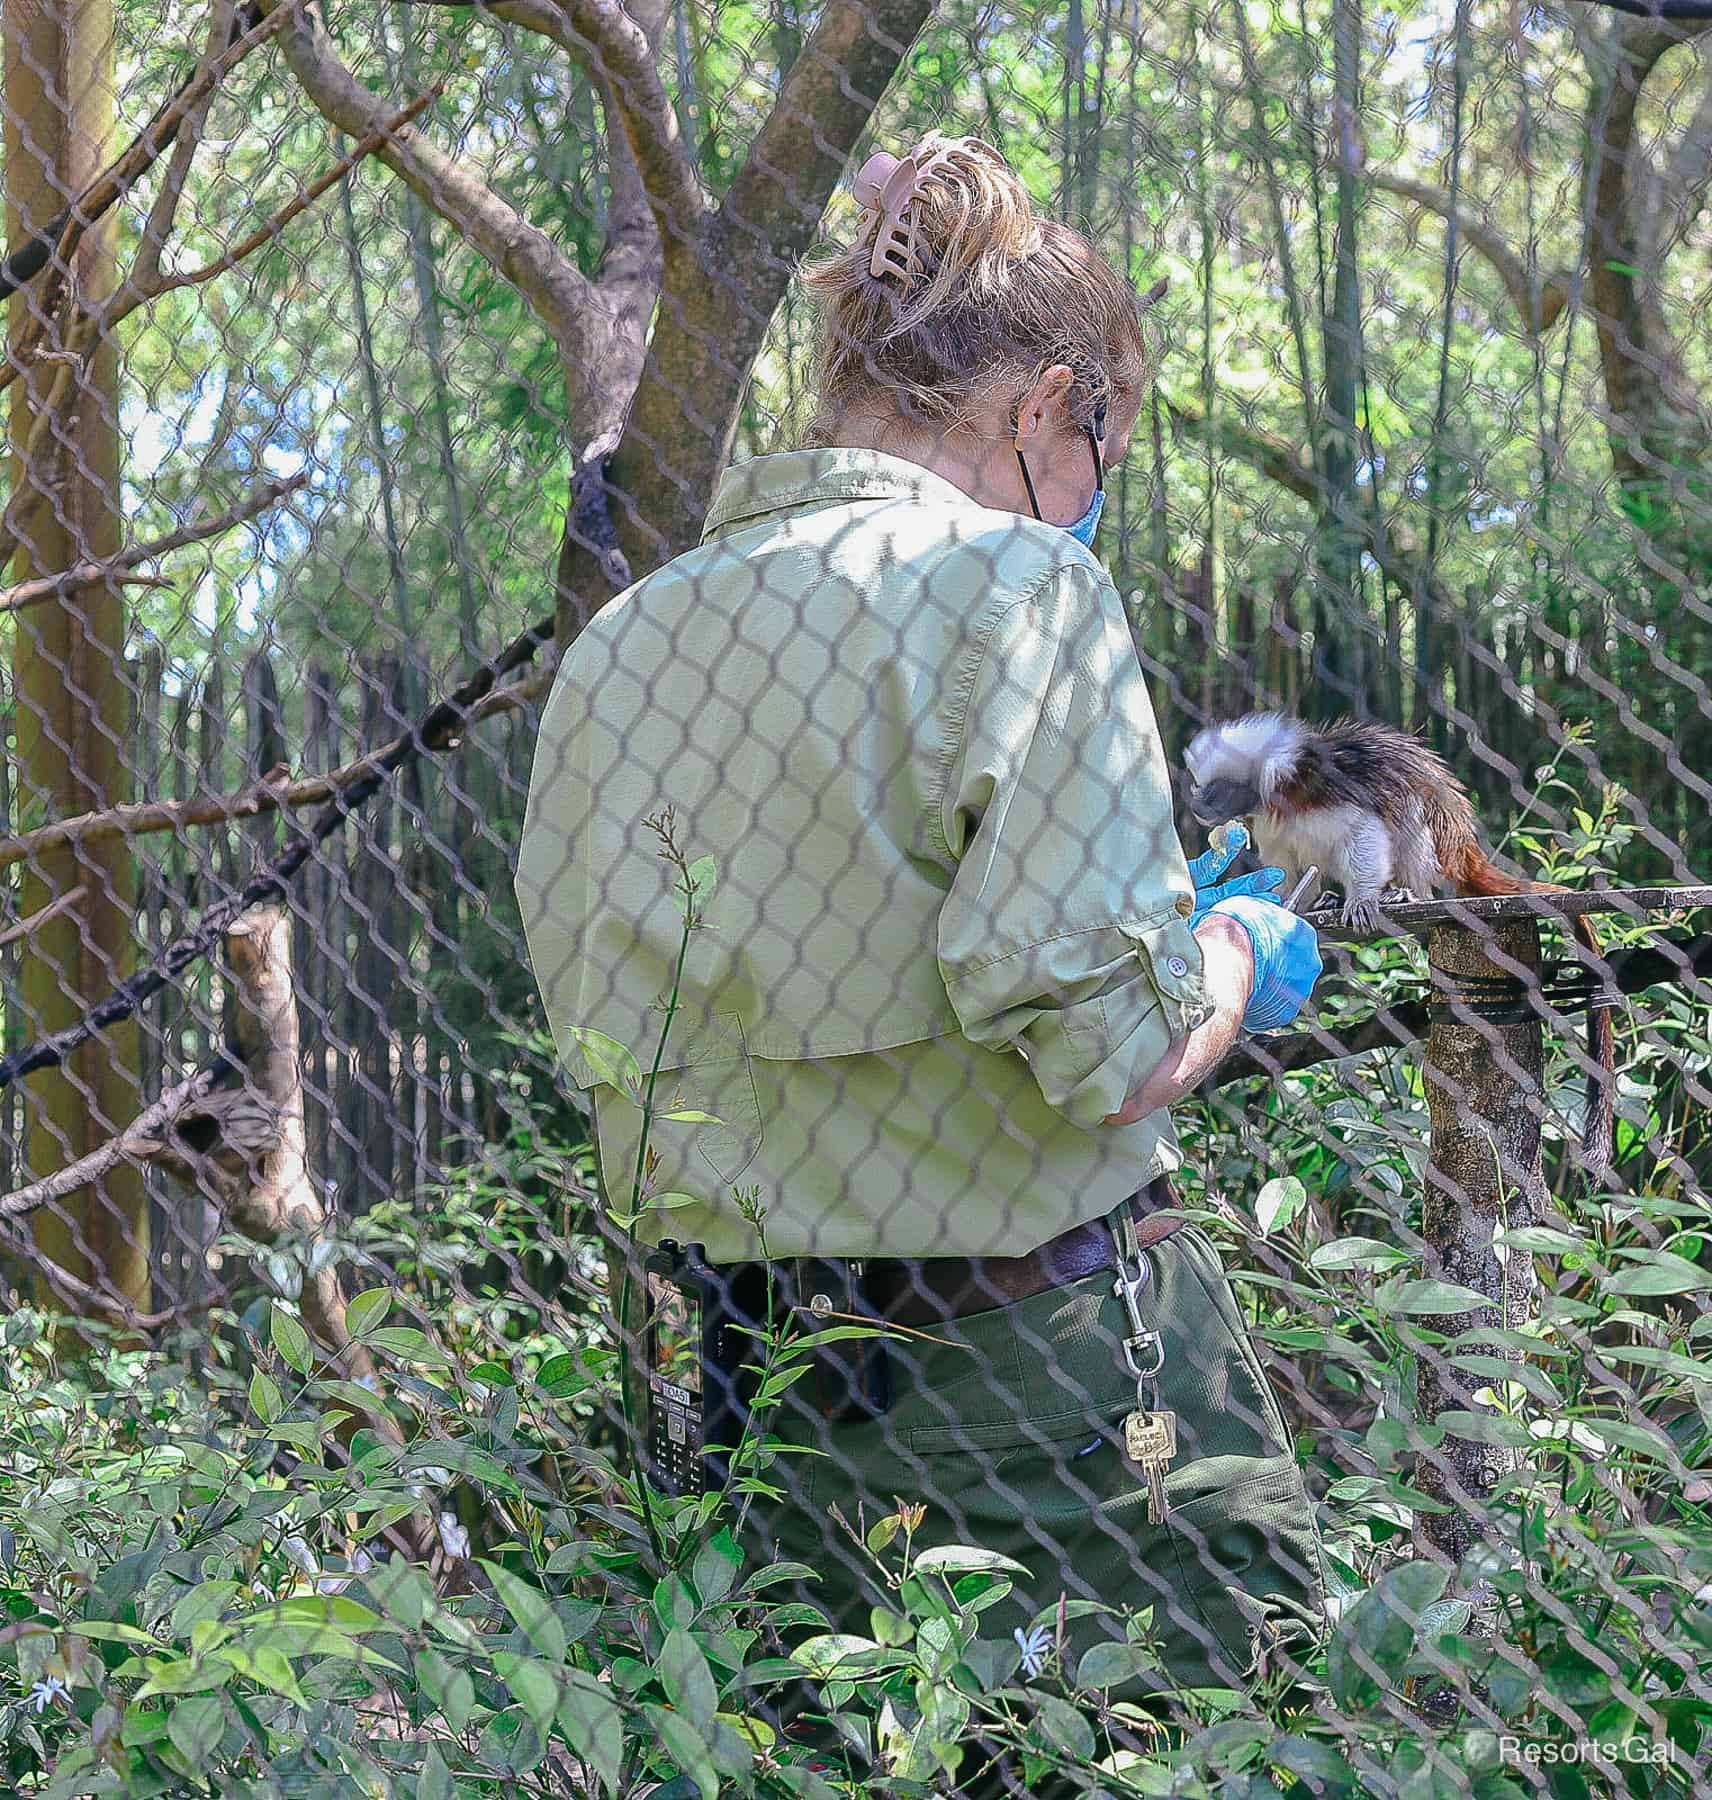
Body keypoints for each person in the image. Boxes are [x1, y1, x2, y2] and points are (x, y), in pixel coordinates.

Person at [515, 130, 1331, 1769]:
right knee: (1237, 1738)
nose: (1097, 496)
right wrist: (1236, 951)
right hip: (1038, 1402)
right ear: (1045, 409)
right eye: (1107, 447)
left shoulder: (616, 655)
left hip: (748, 1411)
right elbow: (1118, 1059)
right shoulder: (1014, 591)